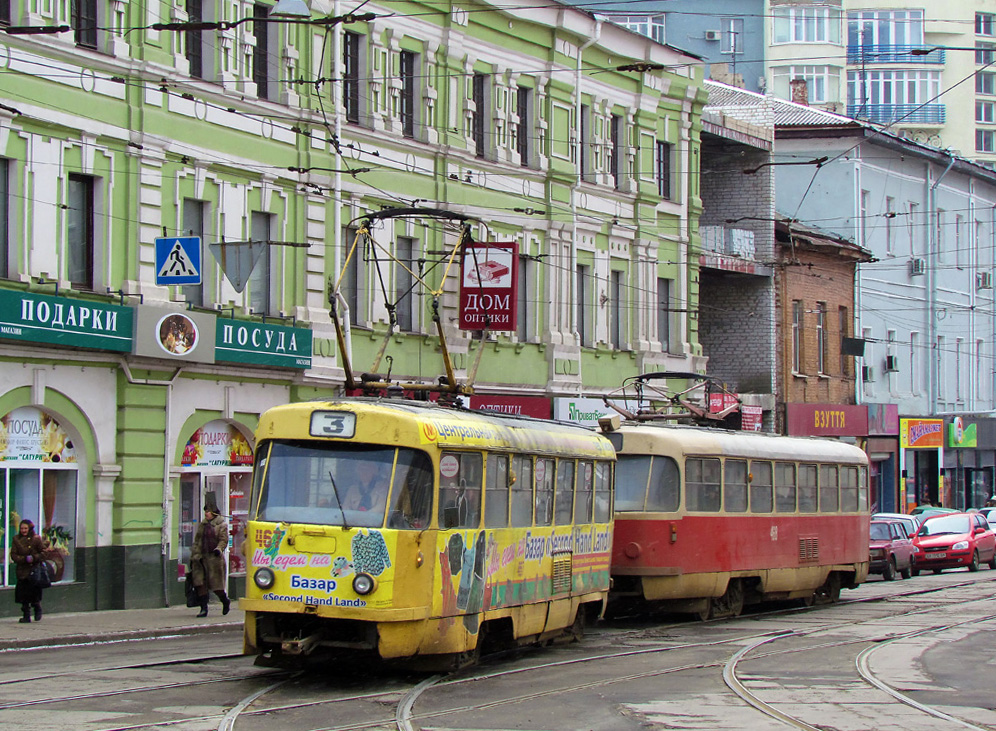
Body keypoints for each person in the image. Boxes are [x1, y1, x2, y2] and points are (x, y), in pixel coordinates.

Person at [190, 496, 231, 618]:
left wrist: (219, 549)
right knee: (199, 583)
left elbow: (223, 540)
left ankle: (225, 601)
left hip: (214, 559)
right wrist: (194, 554)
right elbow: (197, 540)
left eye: (208, 511)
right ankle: (203, 608)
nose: (206, 514)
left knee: (216, 586)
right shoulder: (203, 525)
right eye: (205, 511)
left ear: (213, 513)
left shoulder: (221, 525)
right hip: (200, 558)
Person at [10, 520, 46, 623]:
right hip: (22, 571)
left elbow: (43, 553)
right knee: (23, 596)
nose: (23, 530)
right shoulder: (16, 539)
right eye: (22, 528)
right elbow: (13, 555)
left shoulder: (36, 539)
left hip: (33, 570)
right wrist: (24, 559)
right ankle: (26, 616)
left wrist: (34, 558)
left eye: (25, 528)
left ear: (30, 528)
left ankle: (37, 607)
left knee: (34, 594)